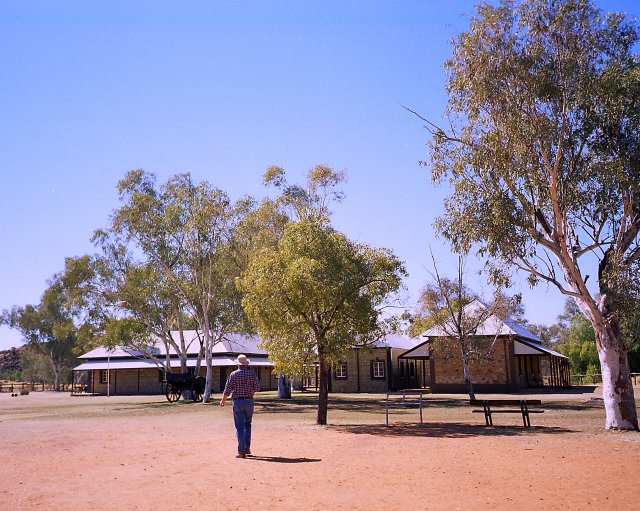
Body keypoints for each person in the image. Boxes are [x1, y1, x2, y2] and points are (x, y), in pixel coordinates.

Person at [220, 354, 261, 458]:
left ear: (238, 364)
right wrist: (250, 392)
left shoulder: (233, 375)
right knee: (248, 425)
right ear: (246, 364)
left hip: (238, 401)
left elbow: (227, 390)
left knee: (239, 427)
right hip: (249, 401)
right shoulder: (252, 374)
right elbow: (257, 387)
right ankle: (247, 448)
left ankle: (241, 451)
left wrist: (223, 401)